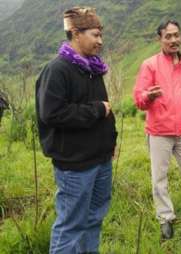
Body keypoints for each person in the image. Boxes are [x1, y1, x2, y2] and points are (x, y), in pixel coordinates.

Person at [35, 7, 117, 254]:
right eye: (95, 35)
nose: (100, 41)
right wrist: (96, 110)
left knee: (94, 219)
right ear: (76, 33)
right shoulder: (57, 70)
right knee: (71, 225)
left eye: (101, 35)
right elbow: (52, 113)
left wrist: (109, 143)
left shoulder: (92, 68)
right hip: (75, 164)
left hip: (100, 160)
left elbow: (105, 112)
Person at [133, 20, 181, 240]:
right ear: (159, 39)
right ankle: (165, 218)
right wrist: (148, 96)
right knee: (160, 178)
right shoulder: (149, 65)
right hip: (159, 131)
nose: (173, 40)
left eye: (176, 35)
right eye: (168, 36)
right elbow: (138, 99)